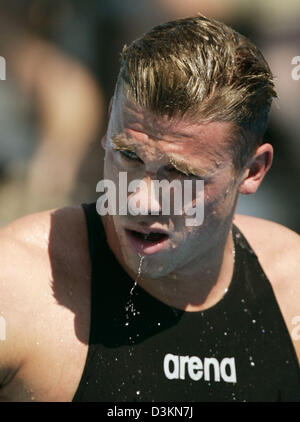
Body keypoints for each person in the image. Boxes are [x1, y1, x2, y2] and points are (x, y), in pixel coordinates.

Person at [0, 15, 299, 402]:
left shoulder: (291, 291)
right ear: (109, 122)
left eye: (180, 174)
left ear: (253, 170)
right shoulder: (16, 286)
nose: (139, 199)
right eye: (128, 154)